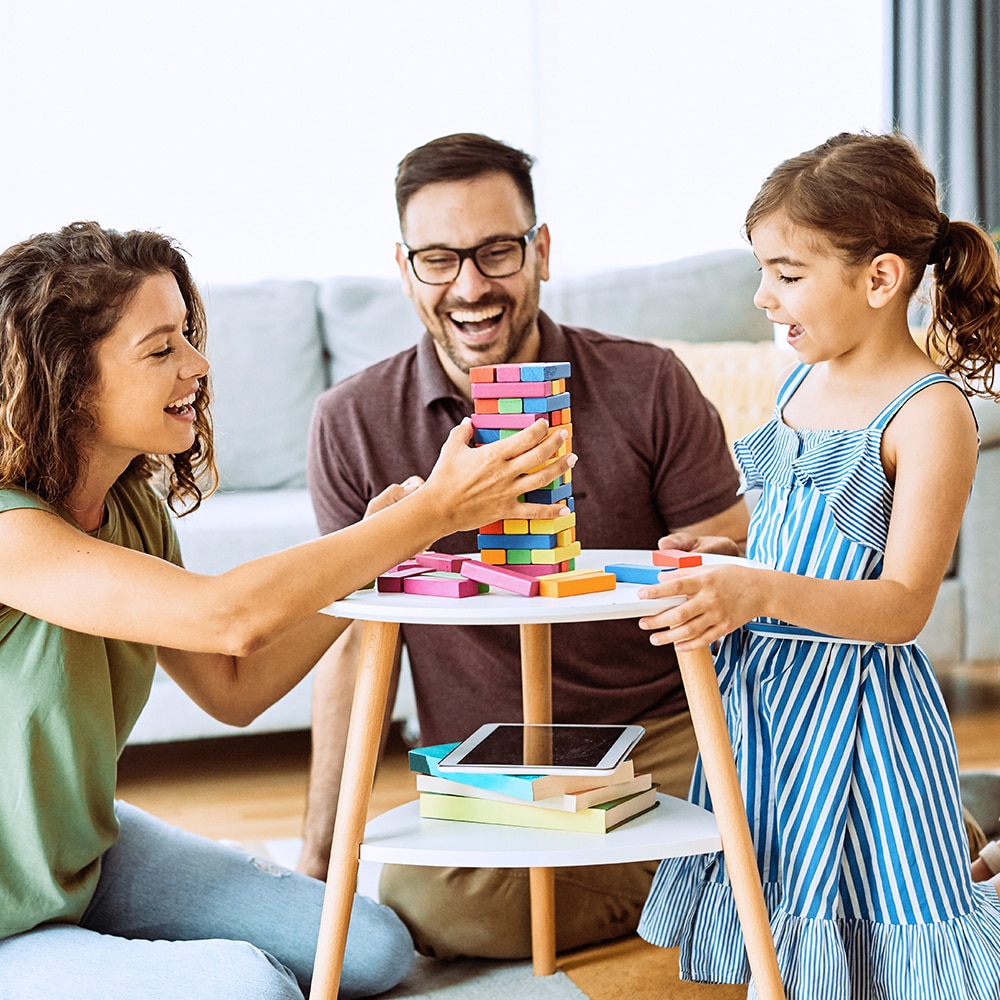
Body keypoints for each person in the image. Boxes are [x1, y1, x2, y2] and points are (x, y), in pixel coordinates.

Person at [0, 221, 577, 1000]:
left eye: (188, 337)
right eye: (161, 348)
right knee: (249, 988)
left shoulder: (131, 506)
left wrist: (385, 551)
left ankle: (81, 946)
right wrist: (423, 515)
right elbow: (224, 617)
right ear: (67, 377)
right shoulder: (9, 532)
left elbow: (233, 688)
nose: (197, 366)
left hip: (72, 854)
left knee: (368, 947)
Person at [300, 132, 750, 958]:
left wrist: (705, 546)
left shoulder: (647, 380)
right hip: (497, 767)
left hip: (661, 730)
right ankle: (724, 870)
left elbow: (731, 539)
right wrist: (321, 853)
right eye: (438, 259)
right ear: (404, 269)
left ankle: (741, 850)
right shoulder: (352, 421)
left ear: (540, 251)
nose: (470, 287)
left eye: (497, 252)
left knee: (809, 772)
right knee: (429, 906)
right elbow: (357, 641)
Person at [634, 132, 1000, 997]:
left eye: (787, 273)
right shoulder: (800, 384)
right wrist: (731, 556)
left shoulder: (930, 413)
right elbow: (787, 535)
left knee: (896, 909)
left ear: (881, 279)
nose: (763, 296)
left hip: (864, 715)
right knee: (787, 877)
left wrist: (756, 587)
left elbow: (903, 606)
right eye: (761, 270)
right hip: (770, 696)